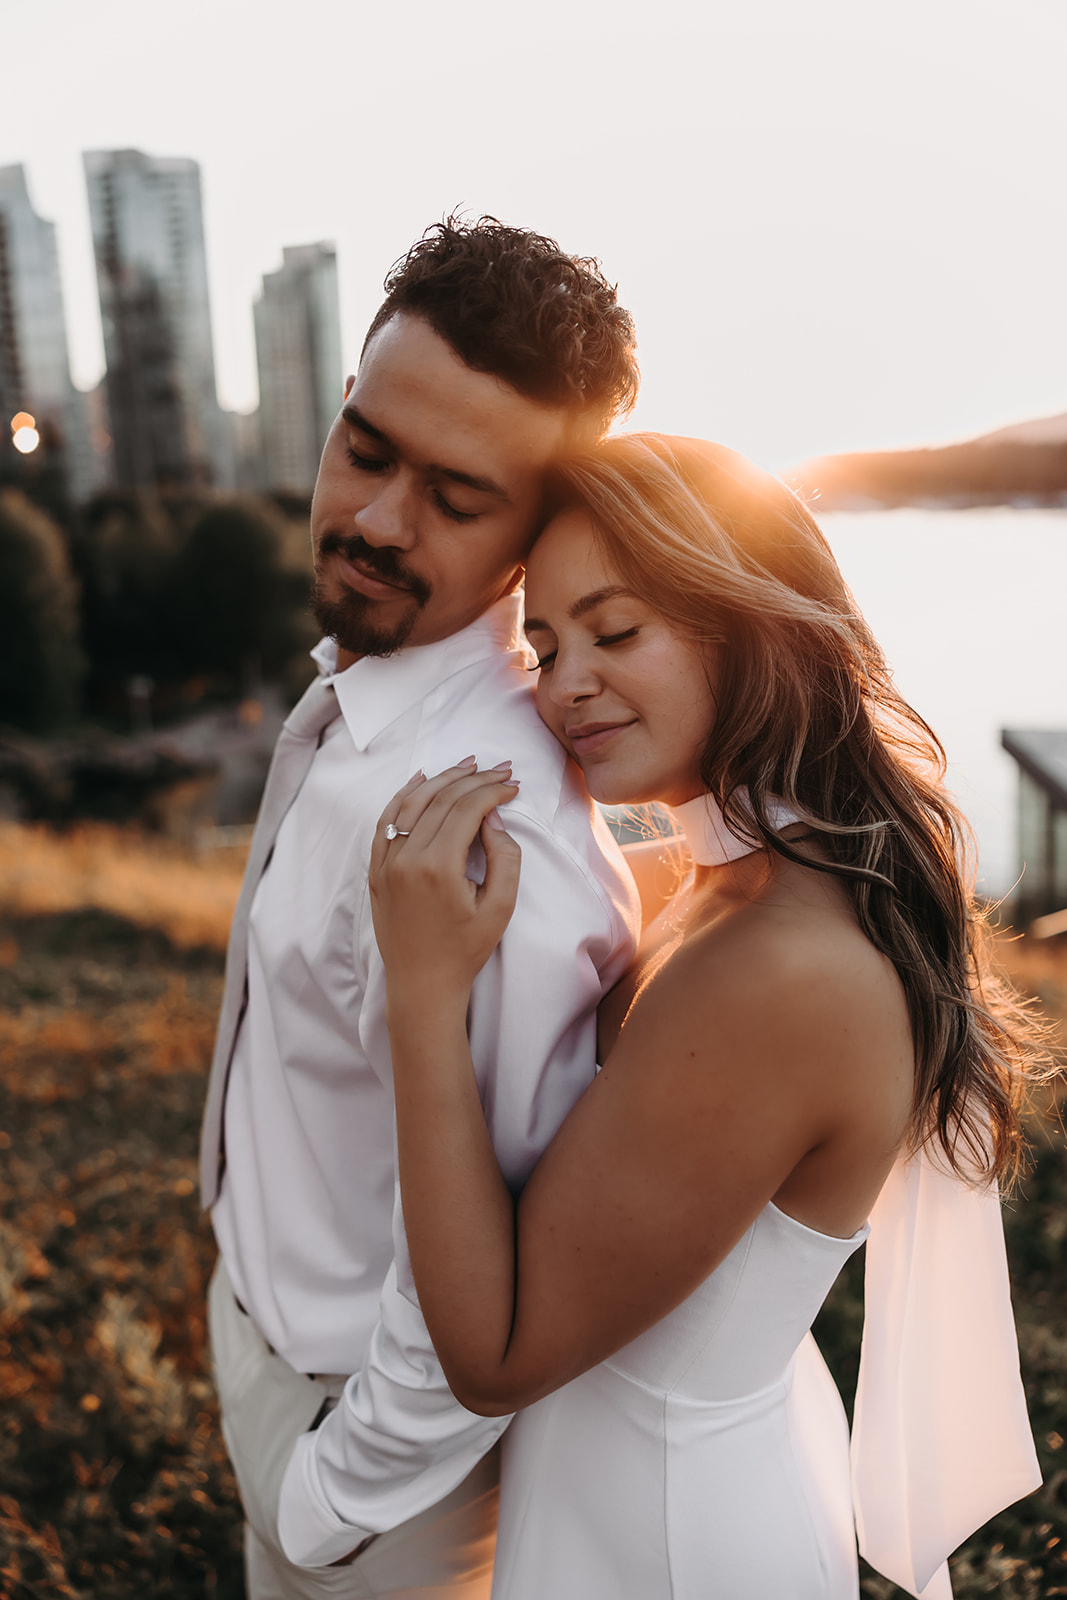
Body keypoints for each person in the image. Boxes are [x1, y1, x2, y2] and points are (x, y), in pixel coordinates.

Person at [368, 433, 1045, 1599]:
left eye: (613, 630)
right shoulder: (737, 887)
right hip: (644, 1482)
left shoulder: (778, 968)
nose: (563, 680)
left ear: (747, 625)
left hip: (667, 1535)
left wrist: (421, 993)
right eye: (542, 646)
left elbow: (495, 1353)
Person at [199, 217, 643, 1598]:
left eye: (456, 499)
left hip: (366, 1480)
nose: (381, 521)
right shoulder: (362, 682)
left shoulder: (492, 846)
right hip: (263, 1344)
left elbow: (490, 1288)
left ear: (535, 535)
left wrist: (329, 1498)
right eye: (368, 451)